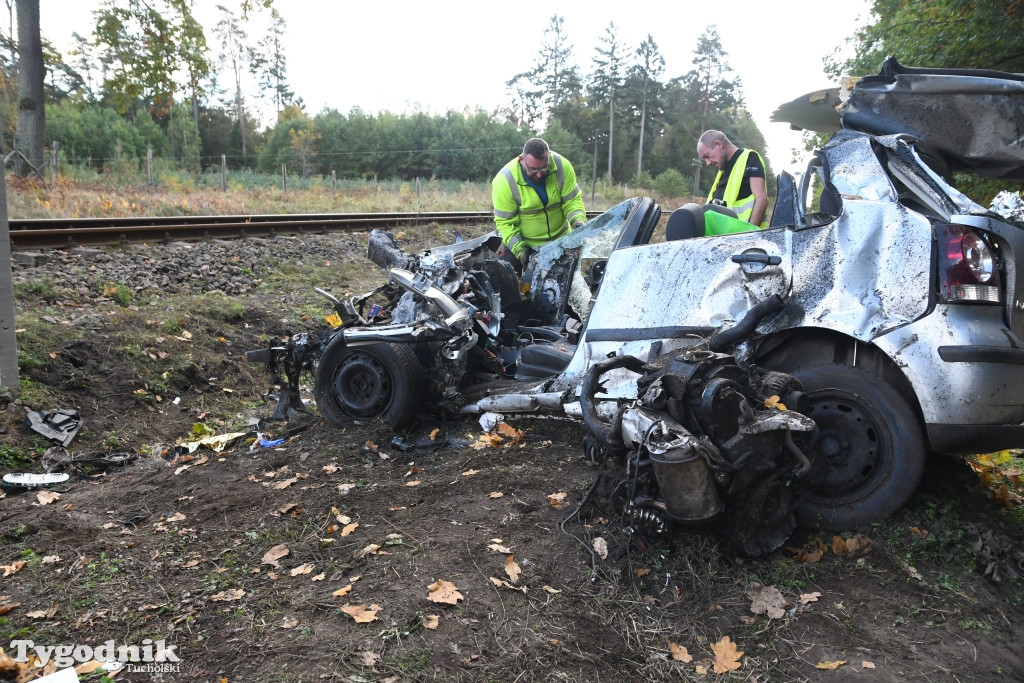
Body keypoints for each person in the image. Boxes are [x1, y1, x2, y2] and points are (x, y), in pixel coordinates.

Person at [492, 137, 587, 272]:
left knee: (582, 272)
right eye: (533, 169)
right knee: (506, 275)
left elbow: (572, 201)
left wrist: (578, 220)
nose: (538, 175)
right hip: (526, 243)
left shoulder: (563, 167)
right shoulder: (505, 181)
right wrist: (520, 250)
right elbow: (505, 223)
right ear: (522, 160)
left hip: (561, 239)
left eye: (543, 168)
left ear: (549, 157)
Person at [697, 130, 768, 228]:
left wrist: (750, 235)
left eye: (707, 156)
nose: (708, 163)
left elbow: (762, 199)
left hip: (744, 239)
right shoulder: (722, 172)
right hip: (725, 239)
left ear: (718, 144)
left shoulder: (749, 158)